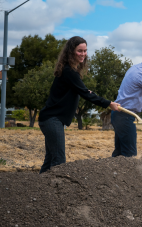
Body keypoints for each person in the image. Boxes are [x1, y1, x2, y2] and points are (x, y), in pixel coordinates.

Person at [38, 36, 120, 174]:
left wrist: (85, 90)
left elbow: (81, 90)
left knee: (50, 159)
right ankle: (55, 192)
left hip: (51, 119)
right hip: (52, 119)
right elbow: (86, 94)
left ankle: (40, 189)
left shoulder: (70, 71)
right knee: (58, 161)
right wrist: (109, 103)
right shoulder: (69, 72)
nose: (83, 54)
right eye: (79, 51)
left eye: (85, 51)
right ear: (71, 52)